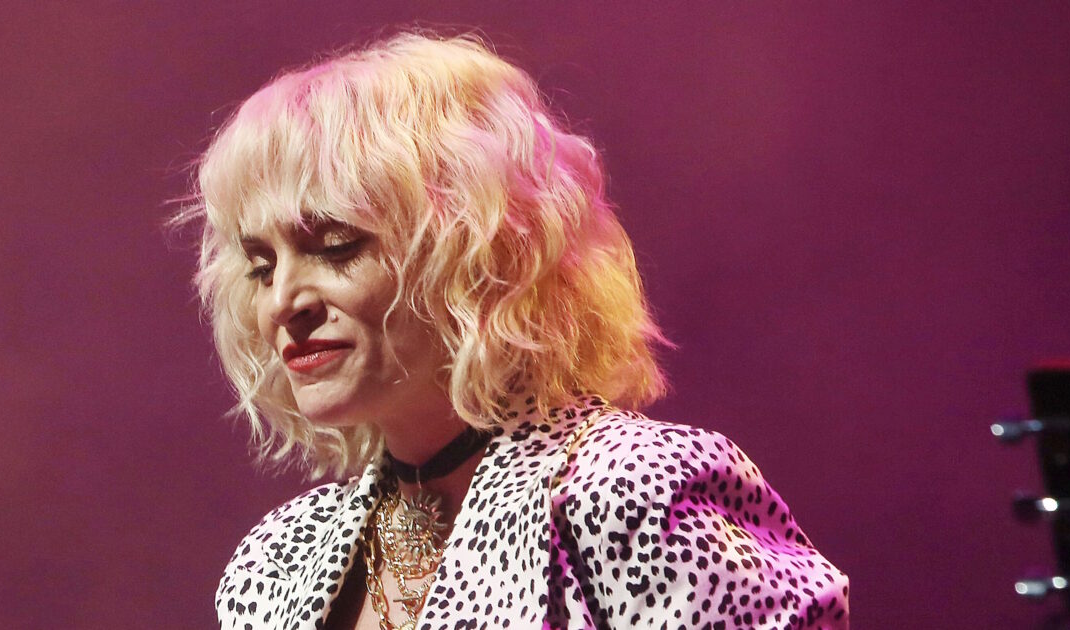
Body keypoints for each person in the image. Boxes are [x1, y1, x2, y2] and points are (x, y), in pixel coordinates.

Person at [181, 31, 849, 629]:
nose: (282, 302)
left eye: (336, 247)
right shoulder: (279, 562)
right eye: (261, 267)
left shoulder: (629, 493)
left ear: (479, 256)